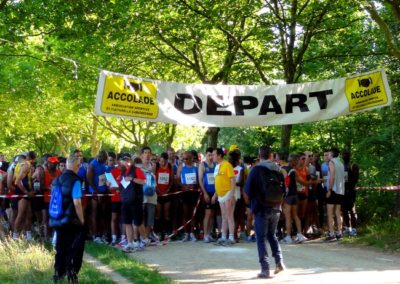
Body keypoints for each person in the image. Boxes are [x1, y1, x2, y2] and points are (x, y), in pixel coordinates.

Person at [244, 146, 285, 279]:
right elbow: (284, 190)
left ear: (259, 155)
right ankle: (279, 263)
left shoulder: (256, 169)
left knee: (260, 238)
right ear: (271, 156)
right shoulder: (279, 170)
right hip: (276, 207)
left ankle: (265, 269)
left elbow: (247, 191)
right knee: (272, 235)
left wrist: (249, 206)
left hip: (261, 208)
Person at [52, 157, 86, 284]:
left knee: (60, 248)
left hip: (58, 219)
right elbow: (77, 203)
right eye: (79, 165)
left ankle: (57, 274)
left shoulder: (56, 180)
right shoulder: (76, 181)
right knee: (74, 249)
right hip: (72, 221)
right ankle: (72, 275)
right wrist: (82, 220)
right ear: (76, 166)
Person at [213, 148, 236, 246]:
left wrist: (231, 194)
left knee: (229, 216)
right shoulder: (217, 166)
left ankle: (231, 238)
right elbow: (217, 181)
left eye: (214, 154)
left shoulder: (227, 165)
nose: (213, 156)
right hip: (220, 195)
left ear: (219, 155)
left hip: (227, 194)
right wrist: (216, 194)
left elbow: (233, 180)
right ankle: (223, 237)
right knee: (224, 216)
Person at [177, 151, 199, 242]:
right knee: (186, 213)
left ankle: (192, 233)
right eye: (183, 159)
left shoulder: (196, 167)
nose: (184, 160)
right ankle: (186, 234)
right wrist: (183, 186)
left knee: (193, 213)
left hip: (194, 192)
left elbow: (199, 179)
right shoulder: (181, 167)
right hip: (185, 193)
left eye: (186, 159)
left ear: (191, 159)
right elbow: (177, 180)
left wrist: (195, 185)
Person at [87, 150, 108, 243]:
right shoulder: (92, 165)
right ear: (100, 157)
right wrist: (96, 192)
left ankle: (102, 234)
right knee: (95, 214)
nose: (105, 161)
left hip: (103, 191)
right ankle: (95, 235)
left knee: (103, 214)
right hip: (94, 192)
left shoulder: (104, 165)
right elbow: (89, 180)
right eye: (104, 159)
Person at [281, 154, 303, 244]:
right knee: (295, 215)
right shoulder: (294, 170)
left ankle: (288, 237)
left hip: (288, 196)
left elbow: (285, 183)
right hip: (295, 195)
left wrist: (282, 196)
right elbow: (299, 181)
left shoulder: (284, 169)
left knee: (288, 217)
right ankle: (300, 235)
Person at [325, 147, 345, 242]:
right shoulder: (341, 163)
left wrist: (329, 189)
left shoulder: (331, 162)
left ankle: (332, 234)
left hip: (334, 190)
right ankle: (339, 233)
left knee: (329, 213)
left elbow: (332, 176)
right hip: (341, 191)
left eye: (328, 154)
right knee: (338, 212)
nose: (327, 156)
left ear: (332, 155)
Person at [198, 147, 217, 243]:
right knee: (207, 213)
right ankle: (205, 234)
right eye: (209, 155)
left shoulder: (215, 165)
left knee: (212, 214)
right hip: (206, 192)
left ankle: (209, 233)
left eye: (212, 155)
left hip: (214, 192)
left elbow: (218, 180)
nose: (210, 157)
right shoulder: (202, 165)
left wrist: (215, 194)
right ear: (206, 155)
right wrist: (205, 193)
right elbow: (200, 180)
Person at [155, 152, 174, 240]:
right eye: (160, 161)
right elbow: (153, 179)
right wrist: (157, 190)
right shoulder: (156, 166)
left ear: (166, 160)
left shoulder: (170, 167)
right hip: (158, 193)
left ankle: (167, 232)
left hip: (167, 193)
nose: (161, 163)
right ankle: (157, 232)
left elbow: (171, 181)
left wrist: (168, 189)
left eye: (163, 161)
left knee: (167, 213)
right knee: (158, 214)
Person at [341, 150, 359, 236]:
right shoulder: (341, 166)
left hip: (351, 191)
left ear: (349, 156)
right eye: (344, 155)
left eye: (346, 154)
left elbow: (355, 179)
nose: (345, 156)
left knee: (352, 210)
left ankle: (354, 229)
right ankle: (347, 228)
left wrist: (349, 186)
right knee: (344, 210)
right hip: (343, 191)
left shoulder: (353, 165)